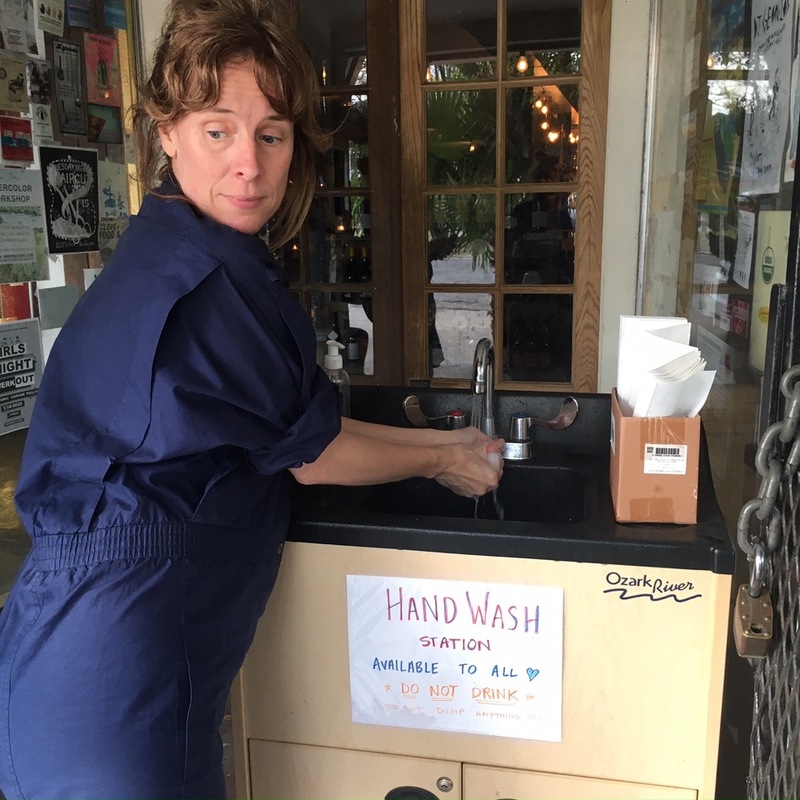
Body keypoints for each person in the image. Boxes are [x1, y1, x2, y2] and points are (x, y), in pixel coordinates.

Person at [0, 1, 503, 798]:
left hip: (63, 650)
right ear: (166, 131)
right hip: (123, 668)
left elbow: (295, 429)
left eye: (271, 134)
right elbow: (316, 456)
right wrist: (444, 455)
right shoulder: (210, 283)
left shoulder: (172, 246)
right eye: (217, 130)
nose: (250, 164)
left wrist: (444, 450)